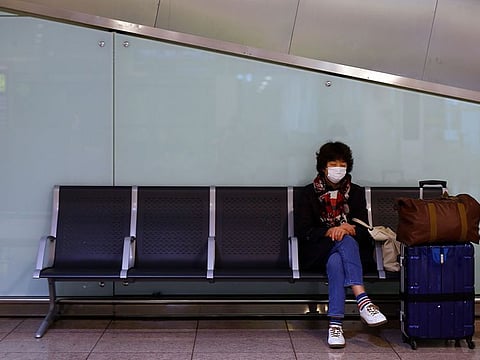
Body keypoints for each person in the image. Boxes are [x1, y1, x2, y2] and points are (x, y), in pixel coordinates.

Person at [296, 141, 387, 348]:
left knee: (337, 260)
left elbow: (364, 229)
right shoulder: (309, 193)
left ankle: (335, 325)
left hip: (348, 255)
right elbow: (303, 231)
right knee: (342, 240)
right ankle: (362, 300)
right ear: (323, 167)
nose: (338, 169)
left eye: (342, 164)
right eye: (333, 164)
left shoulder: (355, 192)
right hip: (317, 252)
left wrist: (348, 228)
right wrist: (331, 230)